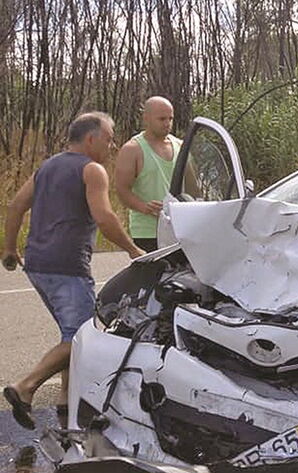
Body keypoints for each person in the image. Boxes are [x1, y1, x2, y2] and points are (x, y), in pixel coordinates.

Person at [2, 113, 144, 430]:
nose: (112, 146)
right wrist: (133, 249)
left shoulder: (46, 167)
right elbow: (104, 217)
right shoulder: (91, 170)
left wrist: (9, 248)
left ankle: (67, 397)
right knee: (84, 335)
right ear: (91, 139)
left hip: (37, 264)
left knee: (72, 332)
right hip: (67, 266)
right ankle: (25, 387)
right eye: (108, 139)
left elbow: (15, 206)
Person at [114, 96, 182, 253]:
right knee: (155, 270)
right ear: (146, 118)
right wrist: (144, 207)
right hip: (147, 232)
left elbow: (193, 187)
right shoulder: (132, 149)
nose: (167, 123)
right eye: (162, 119)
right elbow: (122, 190)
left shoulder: (180, 146)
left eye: (170, 118)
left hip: (179, 228)